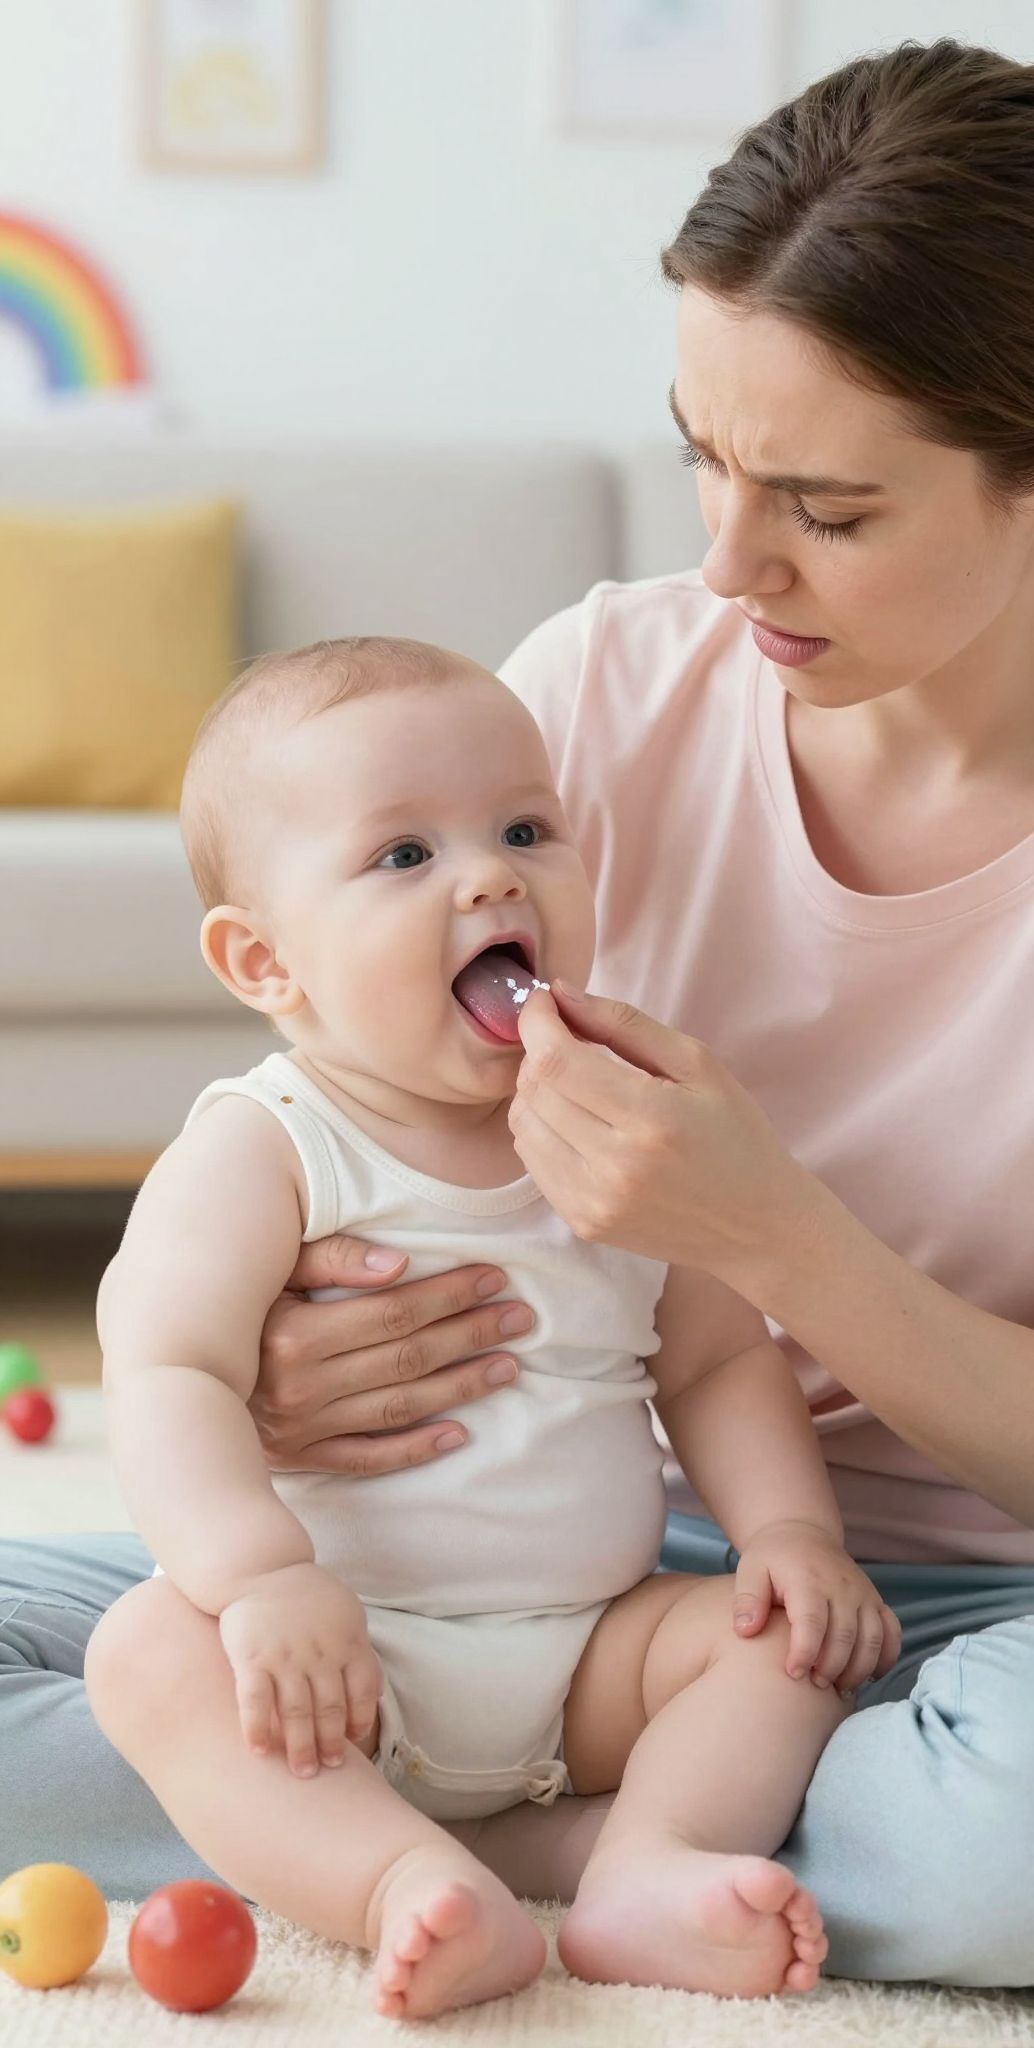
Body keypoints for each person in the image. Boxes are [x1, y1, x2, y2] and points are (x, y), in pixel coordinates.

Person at [5, 33, 1034, 2001]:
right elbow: (320, 1120)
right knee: (137, 1638)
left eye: (823, 505)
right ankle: (566, 1862)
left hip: (935, 1622)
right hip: (445, 1568)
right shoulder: (605, 686)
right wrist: (272, 1365)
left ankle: (439, 1842)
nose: (724, 561)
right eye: (703, 452)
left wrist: (768, 1231)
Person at [83, 635, 894, 2019]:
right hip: (335, 1669)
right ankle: (398, 1882)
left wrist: (790, 1540)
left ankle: (643, 1860)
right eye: (404, 857)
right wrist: (261, 1577)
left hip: (591, 1658)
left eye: (526, 829)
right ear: (266, 962)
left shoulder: (617, 1126)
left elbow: (713, 1357)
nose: (491, 875)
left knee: (781, 1647)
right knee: (147, 1657)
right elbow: (167, 1372)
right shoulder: (270, 1148)